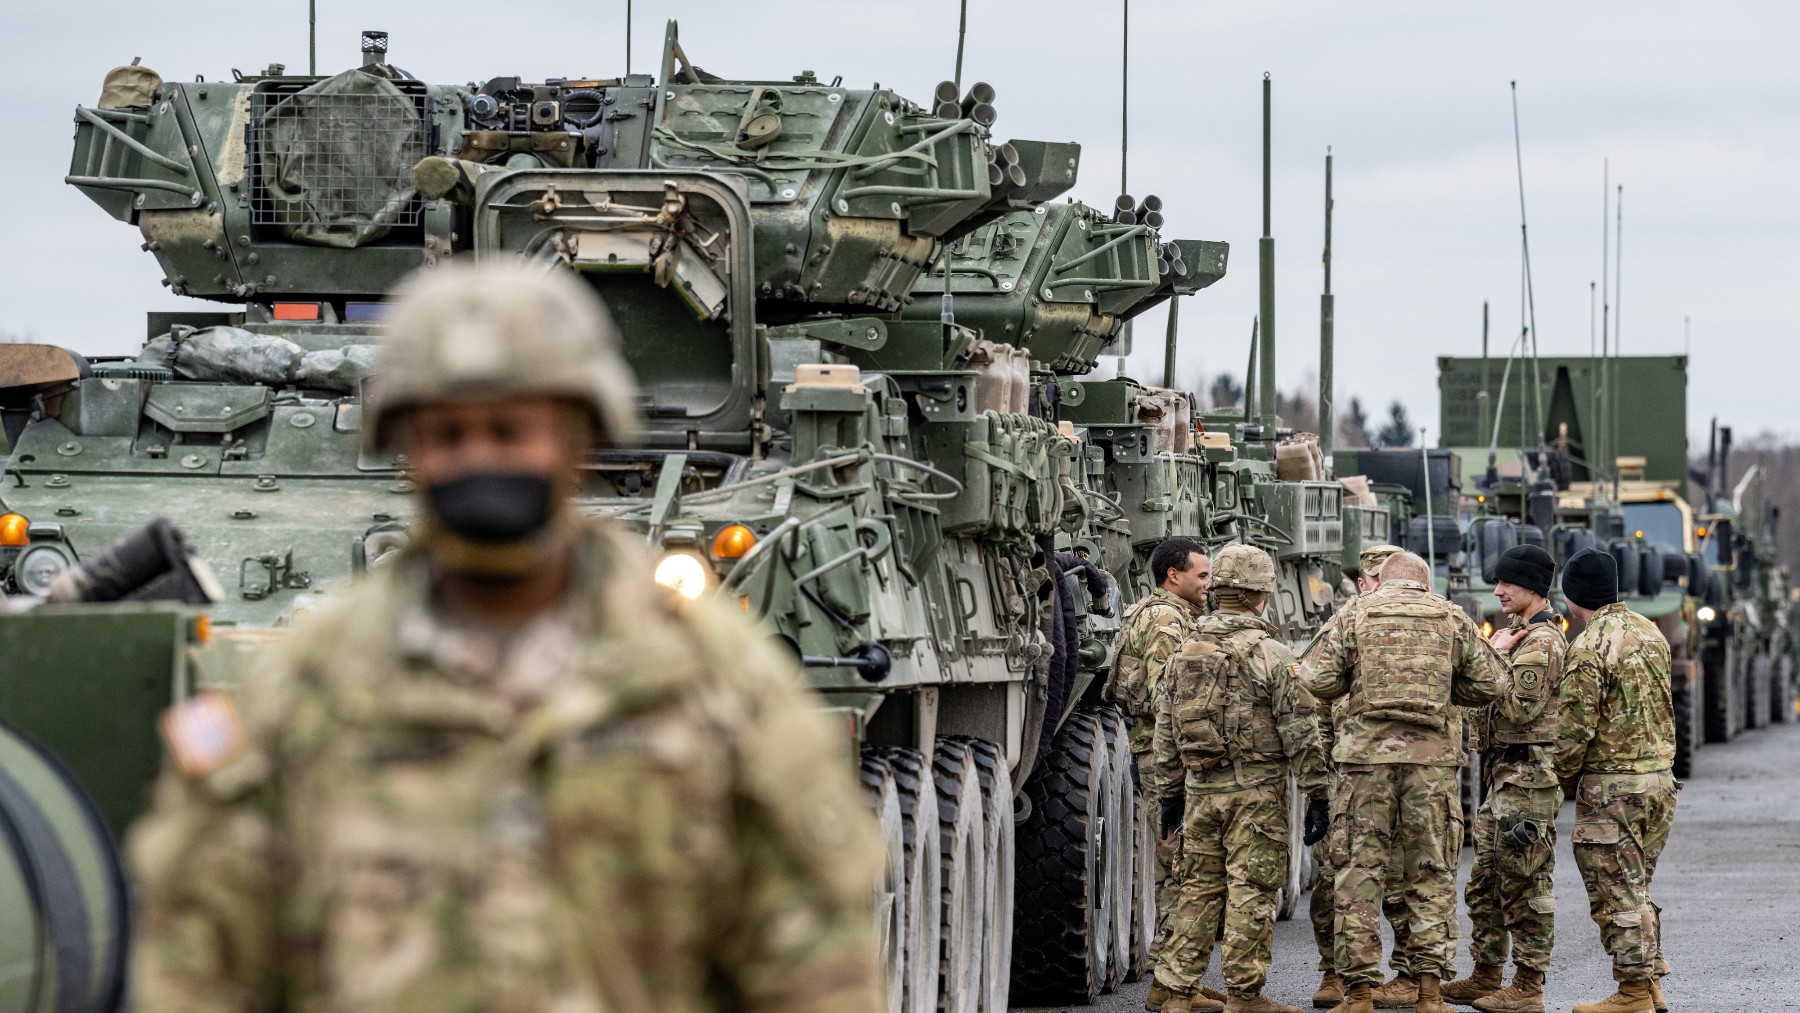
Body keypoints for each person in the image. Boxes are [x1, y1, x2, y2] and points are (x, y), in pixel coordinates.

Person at [126, 262, 885, 1013]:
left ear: (577, 435)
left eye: (510, 429)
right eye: (449, 433)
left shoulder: (708, 680)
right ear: (408, 448)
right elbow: (198, 957)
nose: (479, 456)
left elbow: (812, 963)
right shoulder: (309, 687)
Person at [1299, 551, 1500, 1013]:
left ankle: (1360, 994)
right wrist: (1446, 689)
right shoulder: (1449, 616)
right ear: (1424, 585)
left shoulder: (1355, 613)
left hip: (1364, 763)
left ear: (1382, 582)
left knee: (1358, 873)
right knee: (1430, 872)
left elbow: (1314, 678)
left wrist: (1355, 685)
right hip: (1431, 765)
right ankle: (1429, 994)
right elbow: (1492, 682)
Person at [1148, 544, 1329, 1013]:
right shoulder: (1273, 654)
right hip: (1256, 795)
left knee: (1197, 888)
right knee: (1252, 889)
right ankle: (1245, 995)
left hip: (1199, 790)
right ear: (1260, 595)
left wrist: (1170, 794)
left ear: (1220, 592)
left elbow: (1164, 728)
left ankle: (1174, 990)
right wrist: (1318, 793)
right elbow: (1301, 730)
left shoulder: (1186, 649)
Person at [1441, 545, 1565, 1013]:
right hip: (1503, 774)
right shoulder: (1517, 636)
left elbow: (1517, 706)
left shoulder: (1542, 642)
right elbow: (1476, 705)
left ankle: (1529, 986)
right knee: (1487, 883)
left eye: (1506, 584)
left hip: (1527, 777)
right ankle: (1487, 974)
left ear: (1531, 587)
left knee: (1525, 883)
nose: (1497, 591)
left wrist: (1490, 658)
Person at [1553, 548, 1678, 1013]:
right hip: (1660, 783)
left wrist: (1554, 781)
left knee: (1616, 890)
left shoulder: (1588, 648)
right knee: (1636, 886)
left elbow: (1574, 732)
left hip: (1613, 789)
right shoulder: (1651, 633)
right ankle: (1650, 985)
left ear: (1571, 596)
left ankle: (1631, 994)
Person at [1107, 536, 1216, 1010]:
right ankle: (1171, 980)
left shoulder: (1152, 611)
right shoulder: (1167, 620)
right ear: (1174, 575)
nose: (1208, 585)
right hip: (1164, 755)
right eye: (1202, 575)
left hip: (1155, 750)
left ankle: (1176, 976)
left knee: (1175, 859)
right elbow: (1167, 694)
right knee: (1181, 860)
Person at [1307, 542, 1400, 1009]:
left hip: (1404, 774)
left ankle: (1403, 973)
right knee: (1335, 880)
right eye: (1377, 581)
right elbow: (1316, 700)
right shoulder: (1341, 628)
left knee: (1405, 879)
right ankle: (1334, 972)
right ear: (1363, 584)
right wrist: (1323, 776)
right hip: (1348, 774)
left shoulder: (1421, 621)